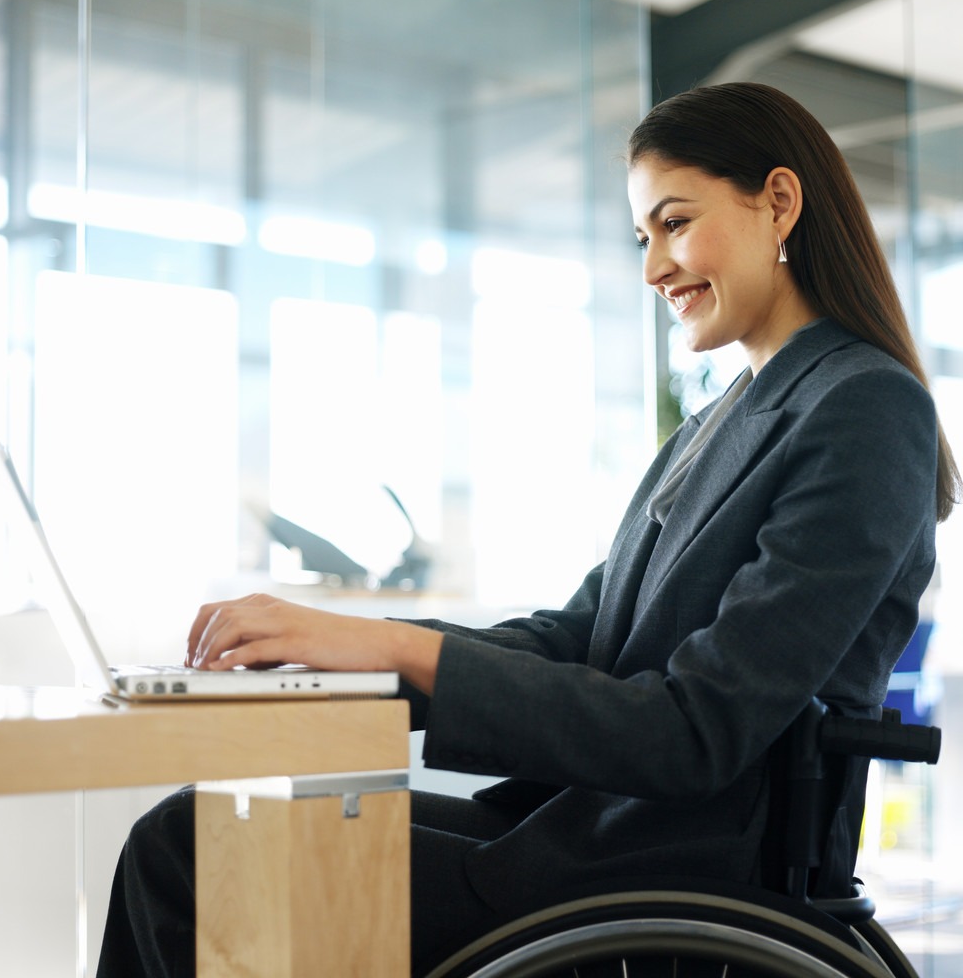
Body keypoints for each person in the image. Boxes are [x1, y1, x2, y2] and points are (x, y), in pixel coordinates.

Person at [96, 82, 959, 977]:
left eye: (673, 223)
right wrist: (350, 654)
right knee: (202, 826)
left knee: (189, 853)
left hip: (674, 870)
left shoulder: (863, 409)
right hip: (595, 836)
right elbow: (579, 639)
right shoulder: (724, 416)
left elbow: (696, 728)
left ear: (778, 201)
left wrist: (390, 643)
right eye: (641, 237)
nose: (653, 268)